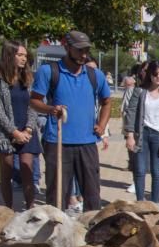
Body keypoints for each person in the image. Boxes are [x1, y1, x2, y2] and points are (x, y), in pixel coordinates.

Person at [29, 30, 111, 211]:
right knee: (57, 196)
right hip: (57, 141)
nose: (84, 55)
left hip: (87, 143)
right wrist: (51, 109)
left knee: (92, 195)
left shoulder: (94, 75)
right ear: (67, 46)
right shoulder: (49, 71)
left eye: (86, 50)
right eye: (79, 50)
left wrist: (102, 124)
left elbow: (106, 102)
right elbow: (34, 100)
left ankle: (93, 234)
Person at [123, 60, 159, 204]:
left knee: (156, 172)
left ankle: (153, 205)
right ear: (149, 74)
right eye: (155, 74)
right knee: (140, 171)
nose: (158, 77)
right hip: (142, 135)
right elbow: (131, 112)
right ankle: (141, 203)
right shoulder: (140, 91)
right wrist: (129, 135)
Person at [0, 41, 41, 210]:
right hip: (5, 133)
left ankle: (30, 209)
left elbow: (34, 105)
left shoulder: (28, 79)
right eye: (20, 55)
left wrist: (29, 128)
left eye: (25, 55)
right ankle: (8, 210)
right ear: (10, 56)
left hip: (27, 131)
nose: (24, 59)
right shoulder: (0, 79)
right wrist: (14, 132)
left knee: (27, 169)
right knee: (7, 172)